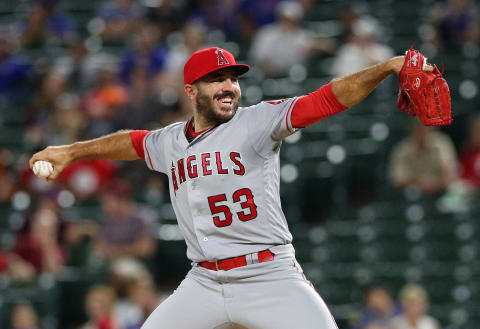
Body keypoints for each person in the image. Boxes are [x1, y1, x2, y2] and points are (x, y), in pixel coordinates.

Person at [30, 46, 435, 329]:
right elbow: (130, 142)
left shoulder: (257, 122)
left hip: (269, 274)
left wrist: (388, 67)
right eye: (215, 80)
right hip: (203, 281)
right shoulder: (170, 141)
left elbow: (326, 100)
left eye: (232, 79)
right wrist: (71, 151)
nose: (228, 87)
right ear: (191, 91)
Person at [388, 120, 458, 195]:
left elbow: (449, 175)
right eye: (418, 129)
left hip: (440, 191)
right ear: (412, 131)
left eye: (426, 129)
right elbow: (397, 179)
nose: (422, 133)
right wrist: (418, 182)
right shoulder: (402, 149)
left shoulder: (441, 144)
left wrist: (433, 185)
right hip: (411, 193)